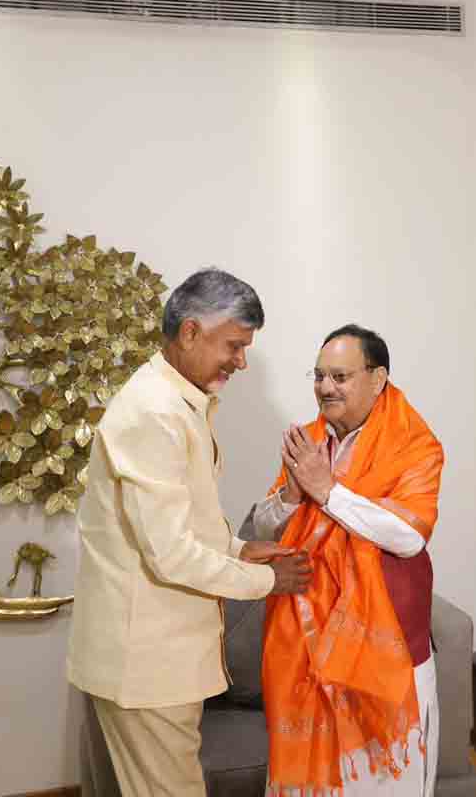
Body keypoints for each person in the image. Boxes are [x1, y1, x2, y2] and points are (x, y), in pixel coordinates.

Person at [67, 268, 313, 797]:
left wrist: (241, 546)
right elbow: (172, 554)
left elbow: (185, 521)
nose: (241, 361)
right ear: (191, 332)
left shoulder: (176, 402)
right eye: (235, 345)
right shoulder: (155, 413)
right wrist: (267, 581)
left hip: (156, 658)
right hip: (148, 664)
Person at [251, 324, 444, 797]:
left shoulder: (414, 445)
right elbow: (262, 527)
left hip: (383, 646)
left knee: (380, 782)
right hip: (306, 647)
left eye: (339, 376)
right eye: (319, 376)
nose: (324, 387)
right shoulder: (310, 441)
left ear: (377, 379)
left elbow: (408, 537)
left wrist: (327, 491)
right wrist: (293, 497)